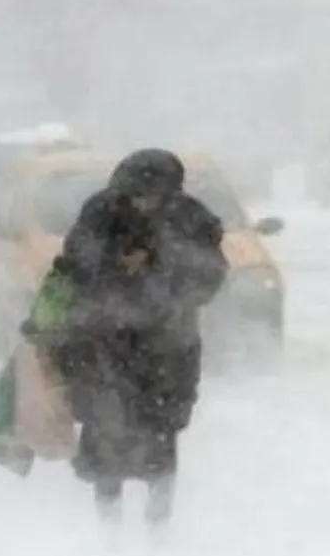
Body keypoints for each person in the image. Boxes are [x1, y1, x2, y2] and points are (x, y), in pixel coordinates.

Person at [24, 148, 228, 527]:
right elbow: (73, 266)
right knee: (105, 431)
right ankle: (110, 527)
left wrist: (159, 271)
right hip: (102, 343)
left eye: (151, 196)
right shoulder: (100, 212)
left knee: (161, 434)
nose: (142, 204)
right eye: (135, 196)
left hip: (168, 348)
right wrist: (114, 267)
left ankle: (158, 525)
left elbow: (210, 275)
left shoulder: (191, 218)